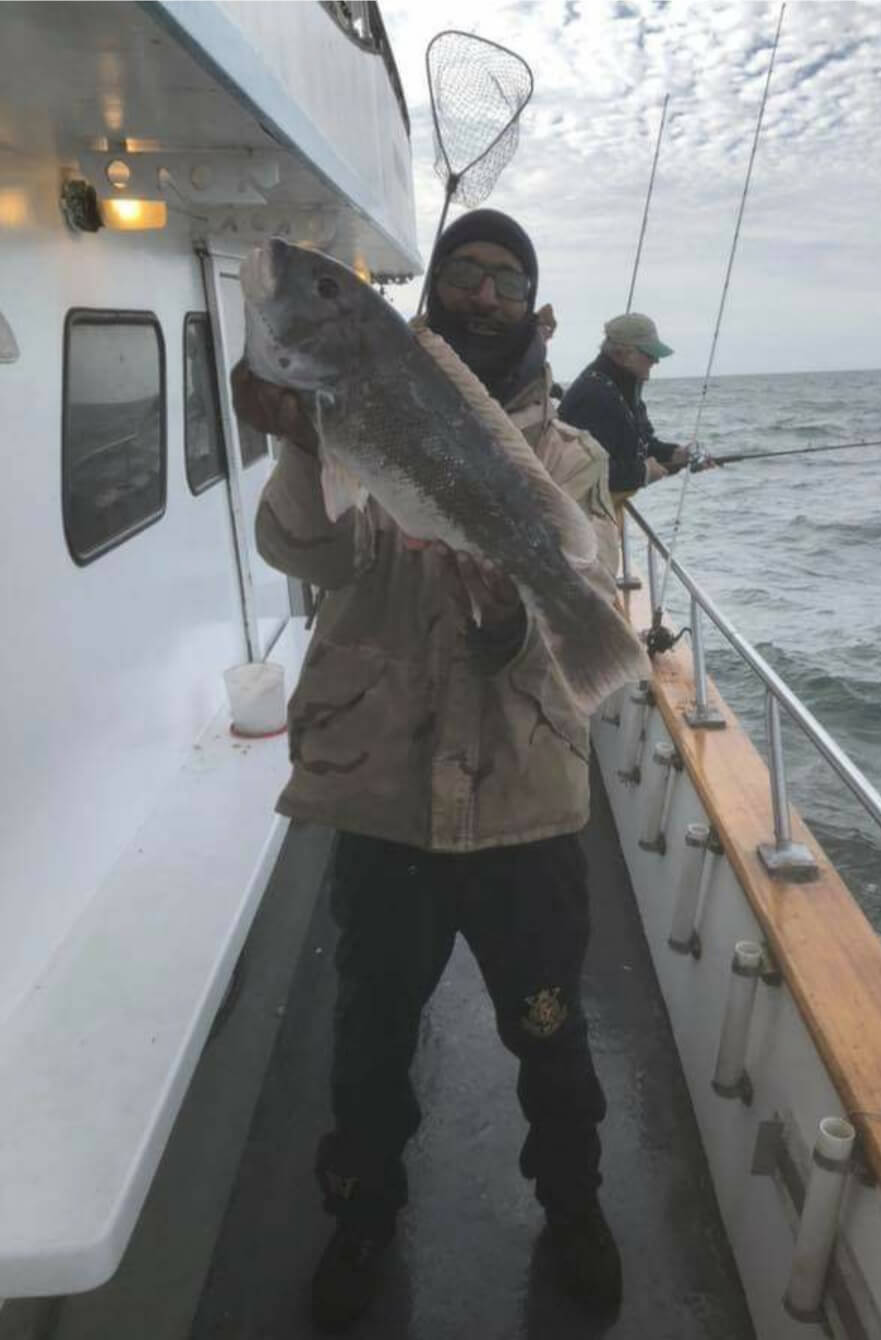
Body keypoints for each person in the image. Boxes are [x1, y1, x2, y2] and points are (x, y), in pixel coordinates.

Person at [230, 209, 623, 1333]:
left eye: (508, 277)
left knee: (551, 1032)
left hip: (521, 806)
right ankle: (360, 1216)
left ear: (535, 303)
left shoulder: (575, 458)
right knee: (369, 1036)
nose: (485, 292)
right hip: (389, 800)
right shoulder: (350, 400)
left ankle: (576, 1206)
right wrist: (306, 445)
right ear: (434, 291)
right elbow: (309, 550)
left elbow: (594, 593)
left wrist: (511, 627)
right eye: (464, 271)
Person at [558, 312, 691, 508]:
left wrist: (675, 455)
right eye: (650, 354)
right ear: (622, 353)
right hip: (578, 512)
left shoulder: (624, 388)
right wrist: (643, 473)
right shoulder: (595, 395)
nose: (656, 361)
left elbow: (641, 444)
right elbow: (584, 471)